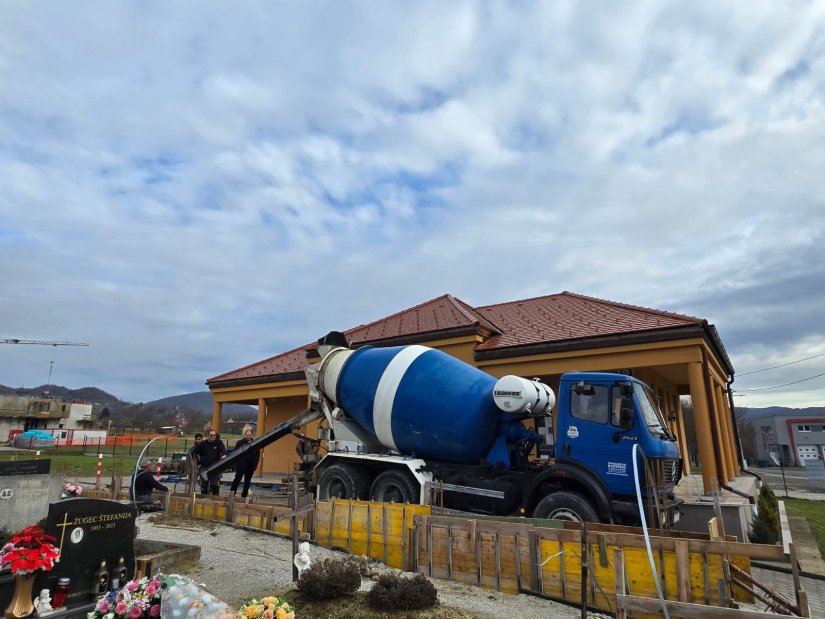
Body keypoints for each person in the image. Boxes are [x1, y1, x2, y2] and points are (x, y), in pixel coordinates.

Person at [229, 429, 260, 498]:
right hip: (241, 466)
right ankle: (232, 495)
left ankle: (244, 496)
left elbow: (257, 456)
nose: (248, 436)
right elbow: (235, 453)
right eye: (247, 435)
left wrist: (255, 467)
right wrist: (237, 464)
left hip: (250, 466)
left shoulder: (255, 443)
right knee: (236, 481)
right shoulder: (239, 443)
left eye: (249, 435)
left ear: (252, 435)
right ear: (245, 435)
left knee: (247, 482)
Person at [194, 429, 226, 495]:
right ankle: (203, 497)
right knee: (203, 484)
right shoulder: (203, 444)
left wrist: (224, 454)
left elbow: (223, 449)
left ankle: (215, 498)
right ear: (208, 436)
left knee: (215, 485)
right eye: (211, 435)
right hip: (204, 467)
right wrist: (198, 463)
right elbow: (194, 453)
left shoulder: (218, 442)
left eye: (214, 435)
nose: (213, 436)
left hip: (215, 467)